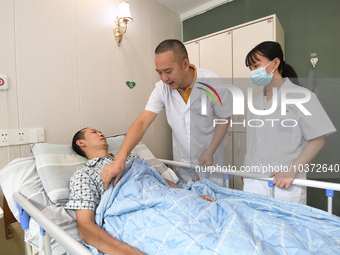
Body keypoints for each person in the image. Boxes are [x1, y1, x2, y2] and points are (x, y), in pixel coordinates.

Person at [101, 39, 233, 189]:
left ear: (185, 64)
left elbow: (224, 117)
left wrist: (211, 150)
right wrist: (120, 159)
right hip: (182, 160)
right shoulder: (162, 88)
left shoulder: (213, 82)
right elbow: (143, 121)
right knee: (188, 199)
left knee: (216, 198)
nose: (164, 78)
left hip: (210, 155)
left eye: (168, 71)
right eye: (159, 72)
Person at [65, 128, 215, 255]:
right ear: (81, 143)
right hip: (136, 211)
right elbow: (85, 225)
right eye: (94, 132)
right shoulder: (84, 173)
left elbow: (159, 180)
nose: (100, 133)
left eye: (100, 131)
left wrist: (191, 196)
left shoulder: (130, 158)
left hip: (166, 197)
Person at [243, 41, 336, 204]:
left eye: (256, 65)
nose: (253, 72)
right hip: (254, 181)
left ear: (275, 63)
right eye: (250, 68)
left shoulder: (301, 96)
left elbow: (317, 139)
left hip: (284, 184)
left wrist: (291, 171)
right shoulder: (254, 102)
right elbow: (252, 142)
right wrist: (247, 170)